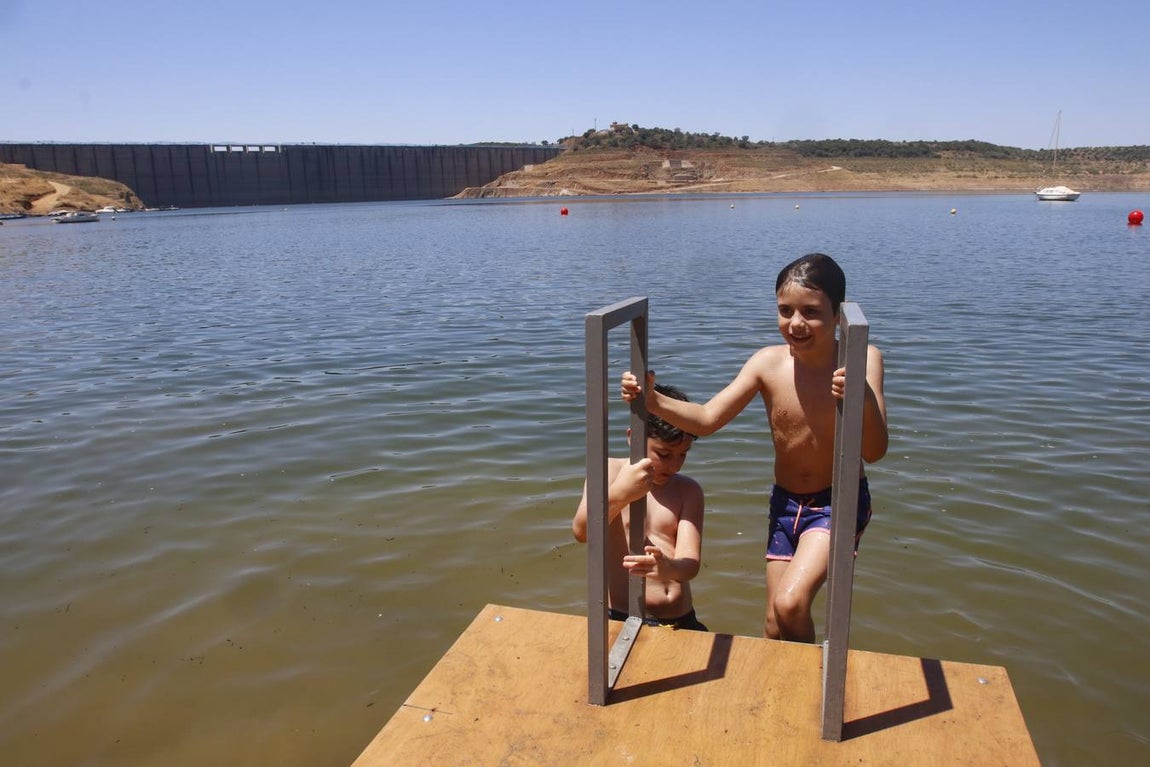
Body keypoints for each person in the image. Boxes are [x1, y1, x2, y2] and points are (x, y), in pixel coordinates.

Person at [621, 253, 887, 643]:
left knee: (791, 604)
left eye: (811, 312)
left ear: (838, 314)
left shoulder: (862, 360)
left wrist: (861, 396)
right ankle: (787, 690)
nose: (795, 323)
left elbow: (875, 451)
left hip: (838, 500)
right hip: (785, 504)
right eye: (785, 310)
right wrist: (653, 399)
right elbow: (709, 418)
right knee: (773, 624)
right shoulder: (767, 363)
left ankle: (811, 690)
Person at [572, 383, 708, 631]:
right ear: (632, 438)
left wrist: (667, 567)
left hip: (680, 616)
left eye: (683, 454)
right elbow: (582, 532)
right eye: (664, 454)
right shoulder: (608, 472)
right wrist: (621, 493)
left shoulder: (688, 491)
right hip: (624, 616)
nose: (675, 466)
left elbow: (691, 564)